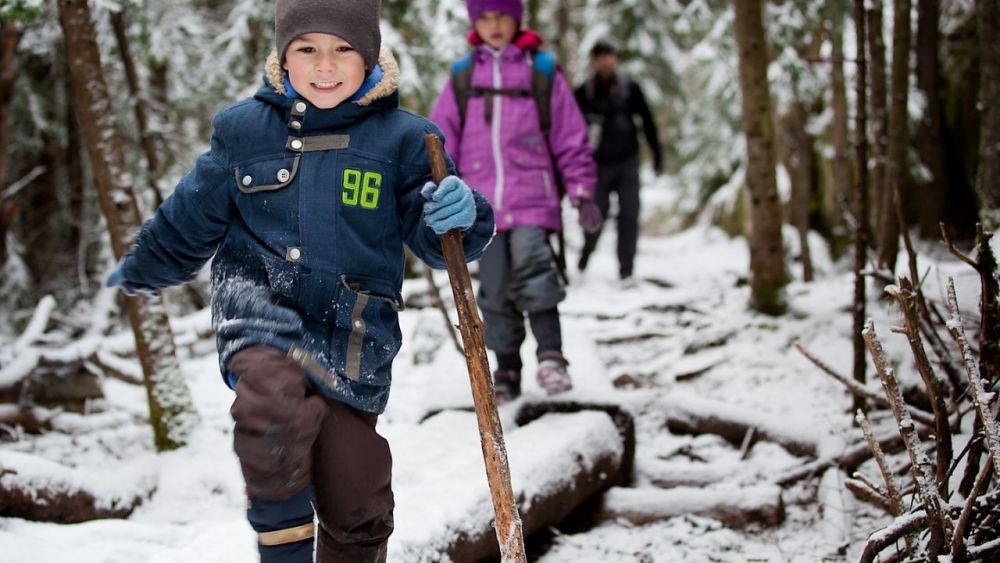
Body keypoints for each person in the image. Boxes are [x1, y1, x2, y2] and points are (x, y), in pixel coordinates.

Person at [105, 1, 495, 561]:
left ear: (371, 57)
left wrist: (460, 215)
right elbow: (190, 218)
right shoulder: (243, 132)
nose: (324, 66)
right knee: (274, 407)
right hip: (260, 313)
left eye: (343, 50)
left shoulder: (406, 140)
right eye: (306, 49)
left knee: (357, 493)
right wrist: (144, 265)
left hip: (352, 337)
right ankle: (282, 548)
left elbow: (438, 245)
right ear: (283, 58)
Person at [430, 0, 601, 404]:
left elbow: (569, 136)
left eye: (501, 16)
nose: (493, 25)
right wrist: (435, 189)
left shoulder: (540, 71)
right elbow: (439, 141)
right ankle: (507, 369)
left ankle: (551, 356)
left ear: (516, 18)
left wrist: (580, 189)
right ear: (475, 22)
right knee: (495, 288)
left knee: (535, 271)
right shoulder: (462, 76)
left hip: (532, 197)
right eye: (485, 17)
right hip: (481, 205)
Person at [574, 40, 663, 282]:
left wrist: (657, 154)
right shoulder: (585, 91)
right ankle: (585, 256)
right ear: (594, 61)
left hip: (628, 162)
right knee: (596, 215)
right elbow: (571, 131)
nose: (605, 61)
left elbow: (647, 121)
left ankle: (626, 270)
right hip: (598, 166)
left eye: (609, 56)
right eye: (601, 57)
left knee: (629, 215)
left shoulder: (630, 88)